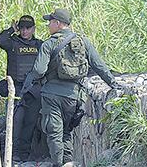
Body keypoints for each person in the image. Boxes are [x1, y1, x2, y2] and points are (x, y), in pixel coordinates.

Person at [22, 9, 120, 167]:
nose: (48, 25)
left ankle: (58, 164)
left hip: (51, 95)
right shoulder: (83, 41)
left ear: (58, 24)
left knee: (54, 133)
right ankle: (68, 163)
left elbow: (39, 70)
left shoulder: (49, 44)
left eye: (50, 22)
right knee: (66, 133)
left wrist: (31, 82)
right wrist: (113, 84)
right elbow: (99, 65)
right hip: (74, 97)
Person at [0, 15, 43, 161]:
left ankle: (24, 155)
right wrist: (12, 29)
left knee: (30, 124)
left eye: (28, 28)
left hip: (33, 91)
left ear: (33, 29)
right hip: (16, 90)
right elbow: (1, 40)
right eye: (22, 28)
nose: (24, 32)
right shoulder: (12, 43)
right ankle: (13, 154)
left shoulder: (39, 45)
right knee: (14, 123)